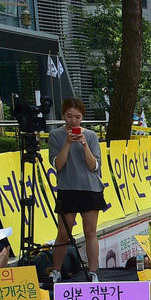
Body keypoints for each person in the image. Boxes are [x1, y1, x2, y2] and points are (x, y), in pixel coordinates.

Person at [49, 98, 105, 283]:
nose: (73, 121)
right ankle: (56, 271)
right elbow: (58, 164)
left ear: (82, 117)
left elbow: (94, 165)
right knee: (63, 233)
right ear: (63, 115)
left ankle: (93, 271)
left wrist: (83, 144)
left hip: (90, 188)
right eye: (69, 116)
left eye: (77, 117)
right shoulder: (56, 136)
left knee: (90, 232)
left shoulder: (90, 136)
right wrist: (67, 143)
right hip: (67, 189)